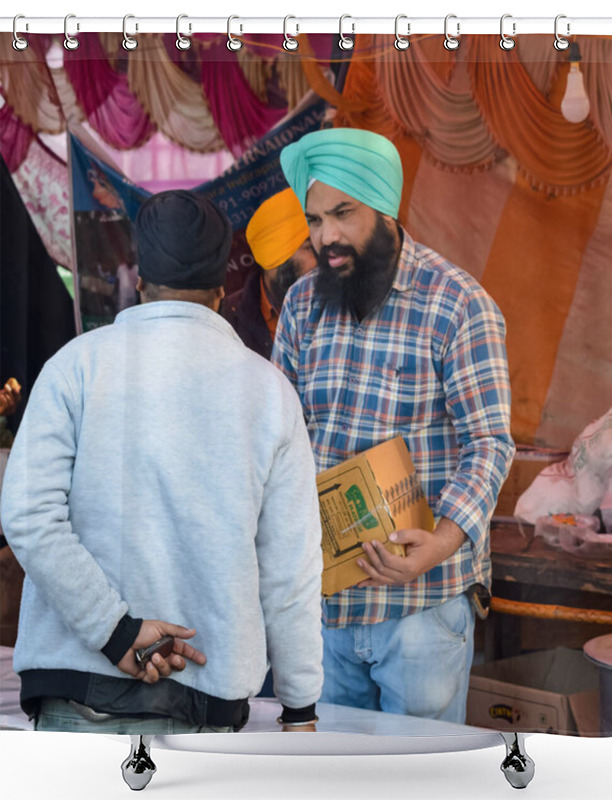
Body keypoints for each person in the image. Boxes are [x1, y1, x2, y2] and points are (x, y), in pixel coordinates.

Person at [0, 190, 323, 734]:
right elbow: (290, 573)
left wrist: (117, 633)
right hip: (206, 711)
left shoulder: (74, 367)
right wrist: (299, 707)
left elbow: (28, 517)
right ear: (222, 291)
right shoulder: (269, 394)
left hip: (78, 695)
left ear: (141, 283)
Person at [273, 128, 514, 723]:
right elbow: (276, 441)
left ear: (385, 207)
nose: (326, 235)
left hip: (421, 608)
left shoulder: (458, 304)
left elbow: (490, 443)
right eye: (315, 218)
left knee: (420, 780)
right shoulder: (303, 306)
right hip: (323, 608)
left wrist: (443, 541)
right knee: (327, 779)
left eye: (343, 213)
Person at [221, 188, 318, 360]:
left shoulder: (348, 310)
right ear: (276, 257)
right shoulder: (226, 322)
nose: (327, 260)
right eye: (310, 247)